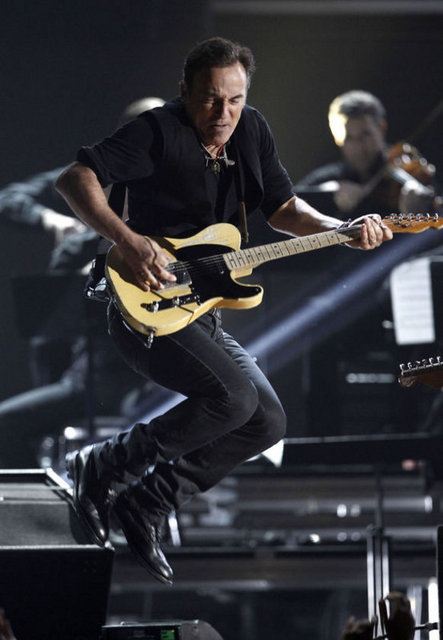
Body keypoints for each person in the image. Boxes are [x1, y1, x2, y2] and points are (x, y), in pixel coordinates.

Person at [55, 36, 392, 586]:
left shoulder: (251, 129)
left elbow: (283, 208)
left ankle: (149, 502)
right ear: (185, 91)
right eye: (211, 99)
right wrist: (129, 241)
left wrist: (340, 229)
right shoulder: (157, 130)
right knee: (233, 399)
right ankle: (105, 463)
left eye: (235, 99)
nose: (224, 113)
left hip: (200, 310)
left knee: (267, 420)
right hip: (146, 305)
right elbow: (75, 179)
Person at [0, 99, 166, 468]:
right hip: (94, 372)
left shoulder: (177, 206)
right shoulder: (91, 193)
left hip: (143, 374)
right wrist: (55, 223)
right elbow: (11, 199)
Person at [295, 90, 435, 218]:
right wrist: (327, 196)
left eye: (365, 134)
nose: (358, 146)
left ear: (381, 128)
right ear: (336, 137)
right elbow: (289, 207)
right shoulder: (327, 178)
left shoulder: (408, 167)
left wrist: (417, 216)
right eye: (349, 138)